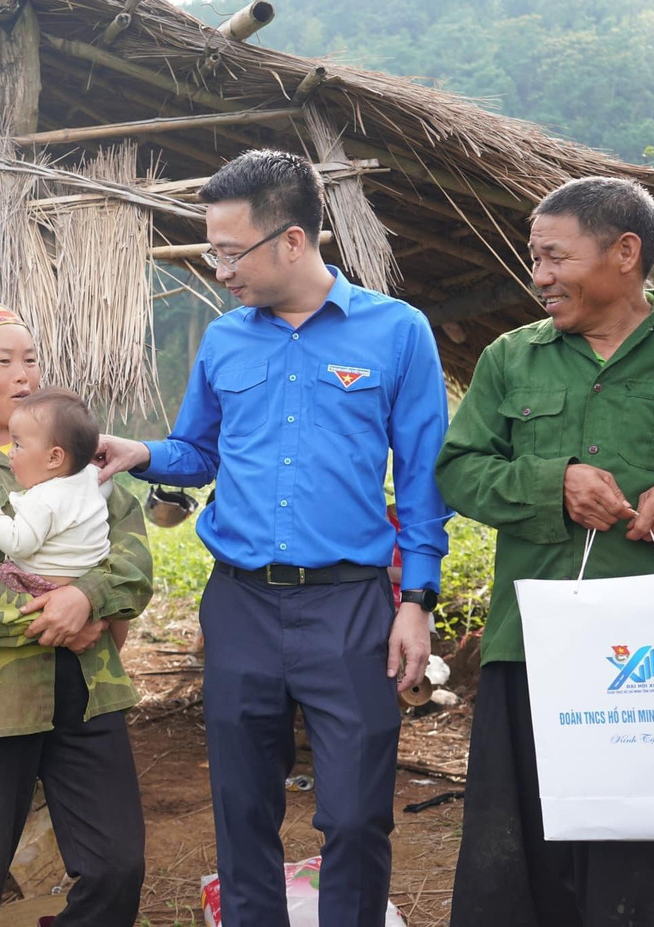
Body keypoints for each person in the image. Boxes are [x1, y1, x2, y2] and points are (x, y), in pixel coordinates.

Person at [96, 149, 452, 927]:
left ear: (292, 241)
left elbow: (426, 480)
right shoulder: (227, 341)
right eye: (212, 252)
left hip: (351, 605)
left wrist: (417, 599)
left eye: (230, 251)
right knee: (242, 809)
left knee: (357, 814)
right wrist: (141, 453)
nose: (220, 269)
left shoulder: (396, 333)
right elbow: (199, 450)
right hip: (241, 606)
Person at [437, 176, 654, 926]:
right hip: (532, 650)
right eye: (536, 259)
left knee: (651, 853)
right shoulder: (511, 360)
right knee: (524, 855)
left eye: (555, 257)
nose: (540, 278)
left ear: (625, 252)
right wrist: (549, 482)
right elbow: (458, 469)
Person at [0, 301, 153, 927]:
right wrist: (56, 616)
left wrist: (85, 598)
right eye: (3, 360)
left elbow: (133, 561)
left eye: (31, 360)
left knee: (118, 867)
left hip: (88, 688)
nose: (23, 375)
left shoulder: (77, 453)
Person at [0, 387, 123, 708]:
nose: (10, 452)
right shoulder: (94, 477)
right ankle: (110, 645)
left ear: (54, 457)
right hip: (84, 582)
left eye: (18, 444)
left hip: (37, 585)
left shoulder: (42, 498)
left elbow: (18, 543)